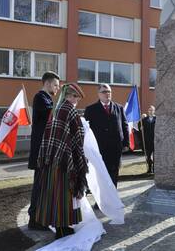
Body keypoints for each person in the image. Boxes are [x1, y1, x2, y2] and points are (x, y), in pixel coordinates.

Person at [35, 83, 88, 239]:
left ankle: (60, 227)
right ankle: (63, 228)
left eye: (77, 97)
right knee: (64, 194)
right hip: (65, 159)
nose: (76, 100)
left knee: (53, 193)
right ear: (68, 96)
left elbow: (53, 134)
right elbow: (77, 133)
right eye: (75, 97)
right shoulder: (68, 109)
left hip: (53, 158)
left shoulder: (57, 108)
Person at [27, 71, 60, 230]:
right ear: (47, 84)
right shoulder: (41, 98)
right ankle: (34, 220)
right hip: (41, 152)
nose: (57, 88)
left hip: (45, 152)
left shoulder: (47, 99)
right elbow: (53, 114)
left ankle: (39, 218)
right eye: (55, 85)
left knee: (43, 186)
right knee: (39, 187)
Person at [84, 83, 129, 187]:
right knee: (100, 177)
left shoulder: (119, 108)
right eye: (104, 92)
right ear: (98, 94)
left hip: (115, 149)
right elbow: (86, 130)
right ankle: (100, 202)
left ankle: (113, 201)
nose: (107, 94)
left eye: (109, 91)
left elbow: (125, 126)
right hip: (99, 149)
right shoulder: (91, 109)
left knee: (113, 176)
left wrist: (126, 143)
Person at [141, 106, 156, 173]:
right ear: (148, 111)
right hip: (147, 141)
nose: (150, 111)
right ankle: (149, 169)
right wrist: (140, 127)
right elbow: (140, 128)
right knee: (149, 156)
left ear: (154, 111)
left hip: (155, 141)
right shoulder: (144, 120)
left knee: (156, 157)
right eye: (149, 110)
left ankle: (155, 169)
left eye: (152, 110)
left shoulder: (157, 119)